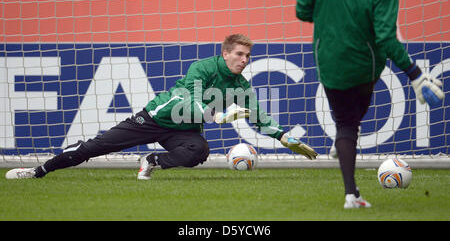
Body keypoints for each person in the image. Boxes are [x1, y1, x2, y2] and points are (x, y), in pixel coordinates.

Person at [5, 34, 318, 180]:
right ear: (225, 54)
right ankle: (38, 171)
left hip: (183, 133)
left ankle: (153, 160)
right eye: (239, 54)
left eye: (248, 56)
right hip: (155, 118)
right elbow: (187, 101)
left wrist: (282, 137)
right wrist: (219, 115)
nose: (244, 60)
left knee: (199, 151)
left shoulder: (241, 86)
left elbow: (258, 115)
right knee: (93, 148)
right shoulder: (203, 68)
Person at [296, 0, 444, 208]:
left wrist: (334, 20)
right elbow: (385, 38)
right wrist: (416, 75)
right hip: (364, 62)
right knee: (349, 123)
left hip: (328, 59)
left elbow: (302, 11)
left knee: (346, 123)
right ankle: (346, 145)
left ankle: (351, 193)